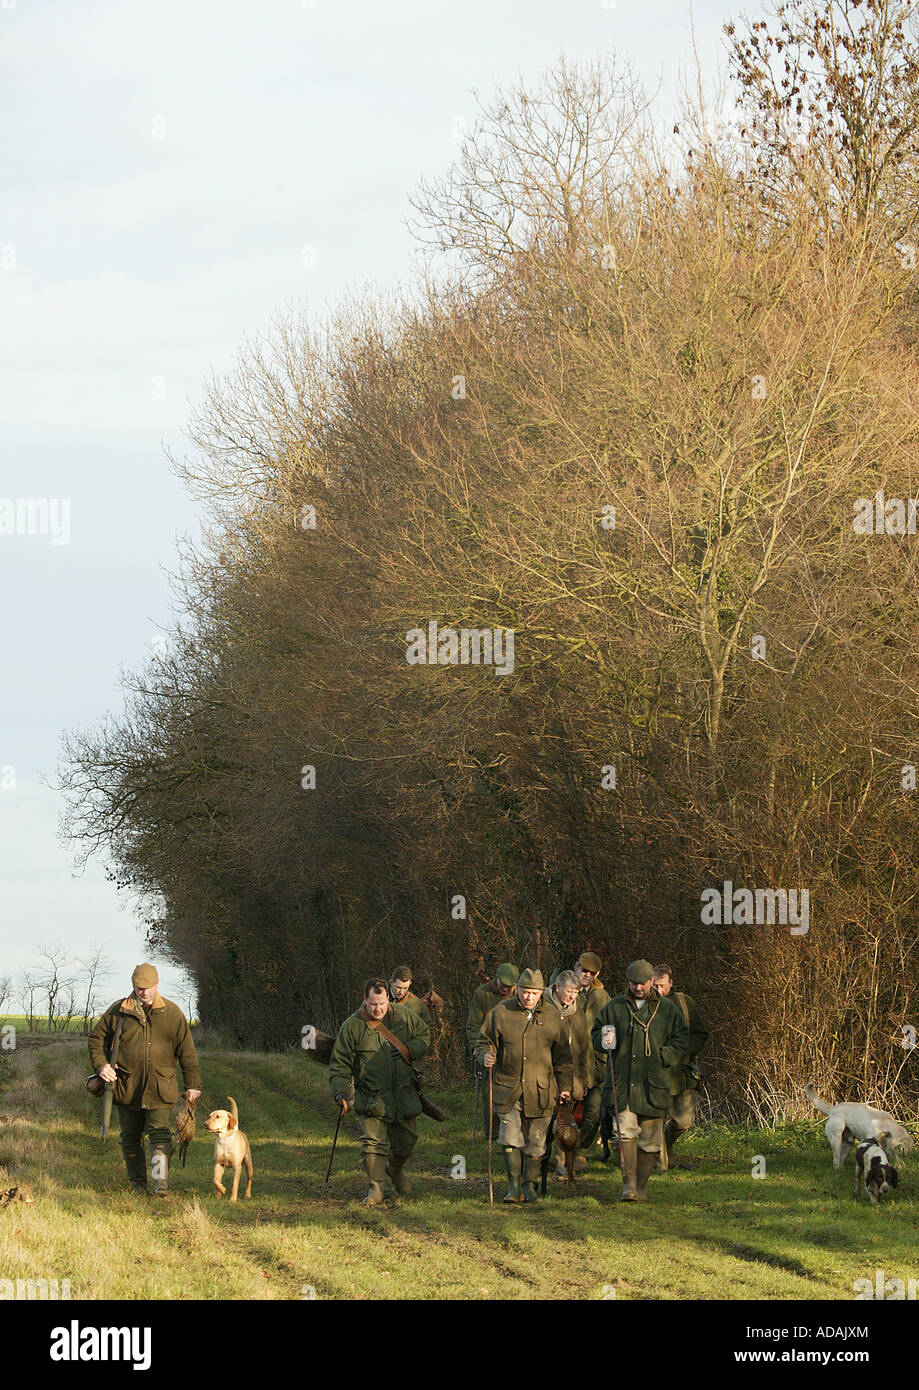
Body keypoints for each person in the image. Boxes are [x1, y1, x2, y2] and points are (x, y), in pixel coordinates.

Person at [89, 963, 201, 1197]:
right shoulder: (118, 1011)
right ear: (133, 986)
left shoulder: (173, 1013)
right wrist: (102, 1065)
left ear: (157, 984)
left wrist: (192, 1085)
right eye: (140, 988)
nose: (145, 992)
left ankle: (161, 1184)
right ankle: (138, 1184)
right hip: (127, 1086)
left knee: (160, 1136)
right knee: (130, 1138)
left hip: (161, 1087)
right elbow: (96, 1040)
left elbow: (187, 1051)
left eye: (149, 987)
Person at [591, 959, 689, 1203]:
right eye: (634, 984)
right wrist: (604, 1040)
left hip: (653, 1085)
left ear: (651, 983)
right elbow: (596, 1032)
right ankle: (628, 1186)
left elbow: (682, 1039)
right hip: (622, 1084)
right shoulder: (614, 1008)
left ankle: (642, 1187)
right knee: (623, 1132)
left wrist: (665, 1056)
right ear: (628, 983)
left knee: (649, 1141)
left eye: (643, 984)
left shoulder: (667, 1010)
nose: (638, 988)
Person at [328, 978, 431, 1206]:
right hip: (371, 1096)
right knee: (373, 1144)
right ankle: (376, 1188)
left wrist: (409, 1049)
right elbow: (339, 1064)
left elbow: (424, 1035)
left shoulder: (403, 1016)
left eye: (382, 1003)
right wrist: (341, 1092)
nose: (378, 1009)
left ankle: (394, 1169)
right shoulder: (352, 1026)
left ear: (388, 999)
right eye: (373, 1004)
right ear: (365, 1000)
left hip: (403, 1095)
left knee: (407, 1142)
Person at [476, 968, 573, 1204]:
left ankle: (530, 1185)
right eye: (524, 991)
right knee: (509, 1136)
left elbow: (563, 1057)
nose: (528, 997)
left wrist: (565, 1087)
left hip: (541, 1091)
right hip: (507, 1088)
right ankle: (514, 1186)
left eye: (533, 993)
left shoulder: (553, 1017)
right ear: (517, 990)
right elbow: (484, 1041)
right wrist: (486, 1055)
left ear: (542, 993)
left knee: (536, 1141)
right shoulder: (501, 1012)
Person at [652, 963, 709, 1167]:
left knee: (683, 1121)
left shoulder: (685, 1003)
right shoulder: (645, 1005)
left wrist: (685, 1050)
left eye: (662, 985)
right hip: (656, 1073)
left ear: (671, 983)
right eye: (655, 985)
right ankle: (661, 1163)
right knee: (655, 1121)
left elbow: (700, 1034)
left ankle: (667, 1146)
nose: (658, 990)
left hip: (682, 1074)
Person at [542, 969, 592, 1179]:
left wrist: (584, 1079)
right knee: (543, 1123)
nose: (572, 996)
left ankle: (562, 1165)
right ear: (558, 987)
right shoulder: (542, 1008)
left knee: (565, 1123)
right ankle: (536, 1164)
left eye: (576, 992)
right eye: (569, 991)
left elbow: (583, 1047)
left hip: (570, 1077)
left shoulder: (577, 1012)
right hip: (544, 1076)